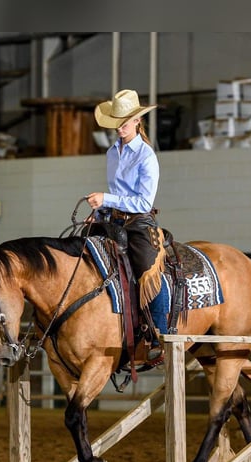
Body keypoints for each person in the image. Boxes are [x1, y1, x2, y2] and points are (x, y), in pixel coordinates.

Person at [86, 89, 167, 362]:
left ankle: (160, 333)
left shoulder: (146, 156)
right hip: (111, 220)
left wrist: (105, 198)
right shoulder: (112, 153)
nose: (120, 128)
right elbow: (114, 195)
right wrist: (98, 213)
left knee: (147, 267)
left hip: (138, 222)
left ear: (137, 122)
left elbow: (143, 202)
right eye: (117, 123)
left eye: (125, 122)